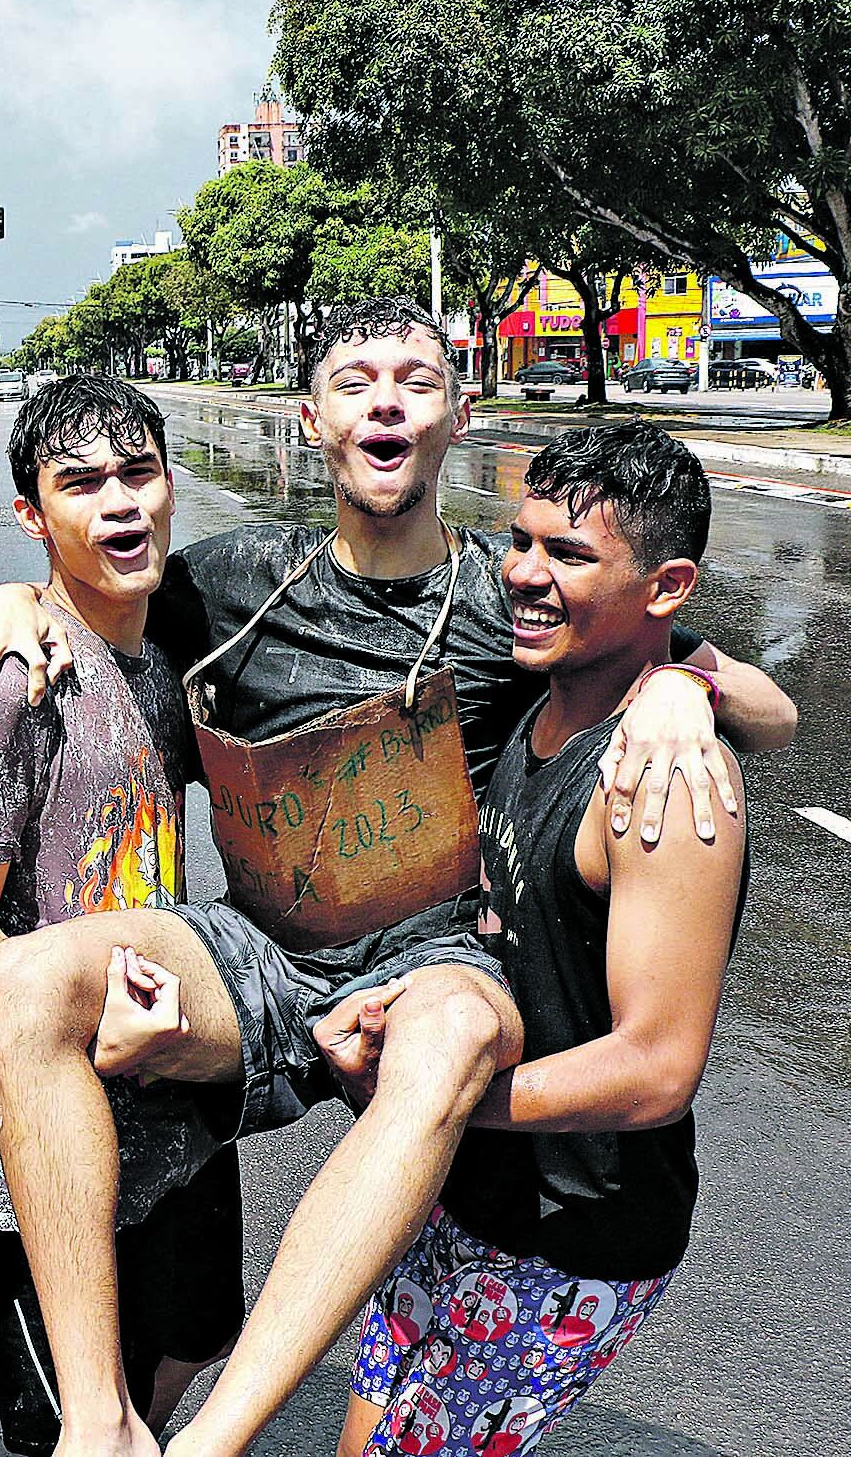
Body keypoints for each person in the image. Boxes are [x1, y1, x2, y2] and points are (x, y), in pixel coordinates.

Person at [0, 298, 796, 1457]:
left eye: (414, 378)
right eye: (353, 381)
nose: (384, 399)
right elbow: (90, 588)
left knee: (447, 1040)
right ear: (312, 422)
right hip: (257, 950)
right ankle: (97, 1420)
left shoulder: (518, 604)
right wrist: (14, 597)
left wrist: (685, 688)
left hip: (429, 963)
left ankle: (211, 1440)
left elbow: (767, 706)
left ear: (456, 417)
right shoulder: (231, 581)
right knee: (31, 982)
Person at [339, 422, 747, 1456]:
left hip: (569, 1227)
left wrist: (428, 1101)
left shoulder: (662, 785)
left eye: (567, 554)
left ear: (664, 588)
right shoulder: (543, 692)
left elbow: (655, 1067)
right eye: (518, 540)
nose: (521, 573)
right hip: (466, 1181)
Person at [0, 374, 243, 1455]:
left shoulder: (170, 655)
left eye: (137, 474)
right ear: (32, 516)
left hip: (182, 1090)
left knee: (200, 1328)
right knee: (62, 1415)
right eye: (80, 484)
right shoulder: (8, 674)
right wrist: (53, 1003)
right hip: (59, 1122)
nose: (118, 505)